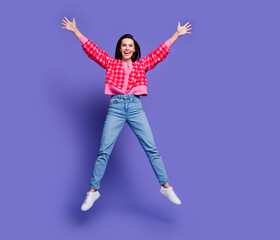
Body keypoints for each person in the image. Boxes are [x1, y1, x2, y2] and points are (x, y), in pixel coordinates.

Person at [61, 17, 192, 211]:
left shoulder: (141, 65)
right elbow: (93, 50)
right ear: (120, 49)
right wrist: (76, 31)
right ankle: (92, 192)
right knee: (104, 150)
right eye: (124, 45)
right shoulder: (111, 64)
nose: (127, 48)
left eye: (130, 45)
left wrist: (177, 35)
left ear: (135, 49)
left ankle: (166, 187)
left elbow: (159, 53)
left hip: (135, 107)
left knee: (151, 148)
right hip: (115, 107)